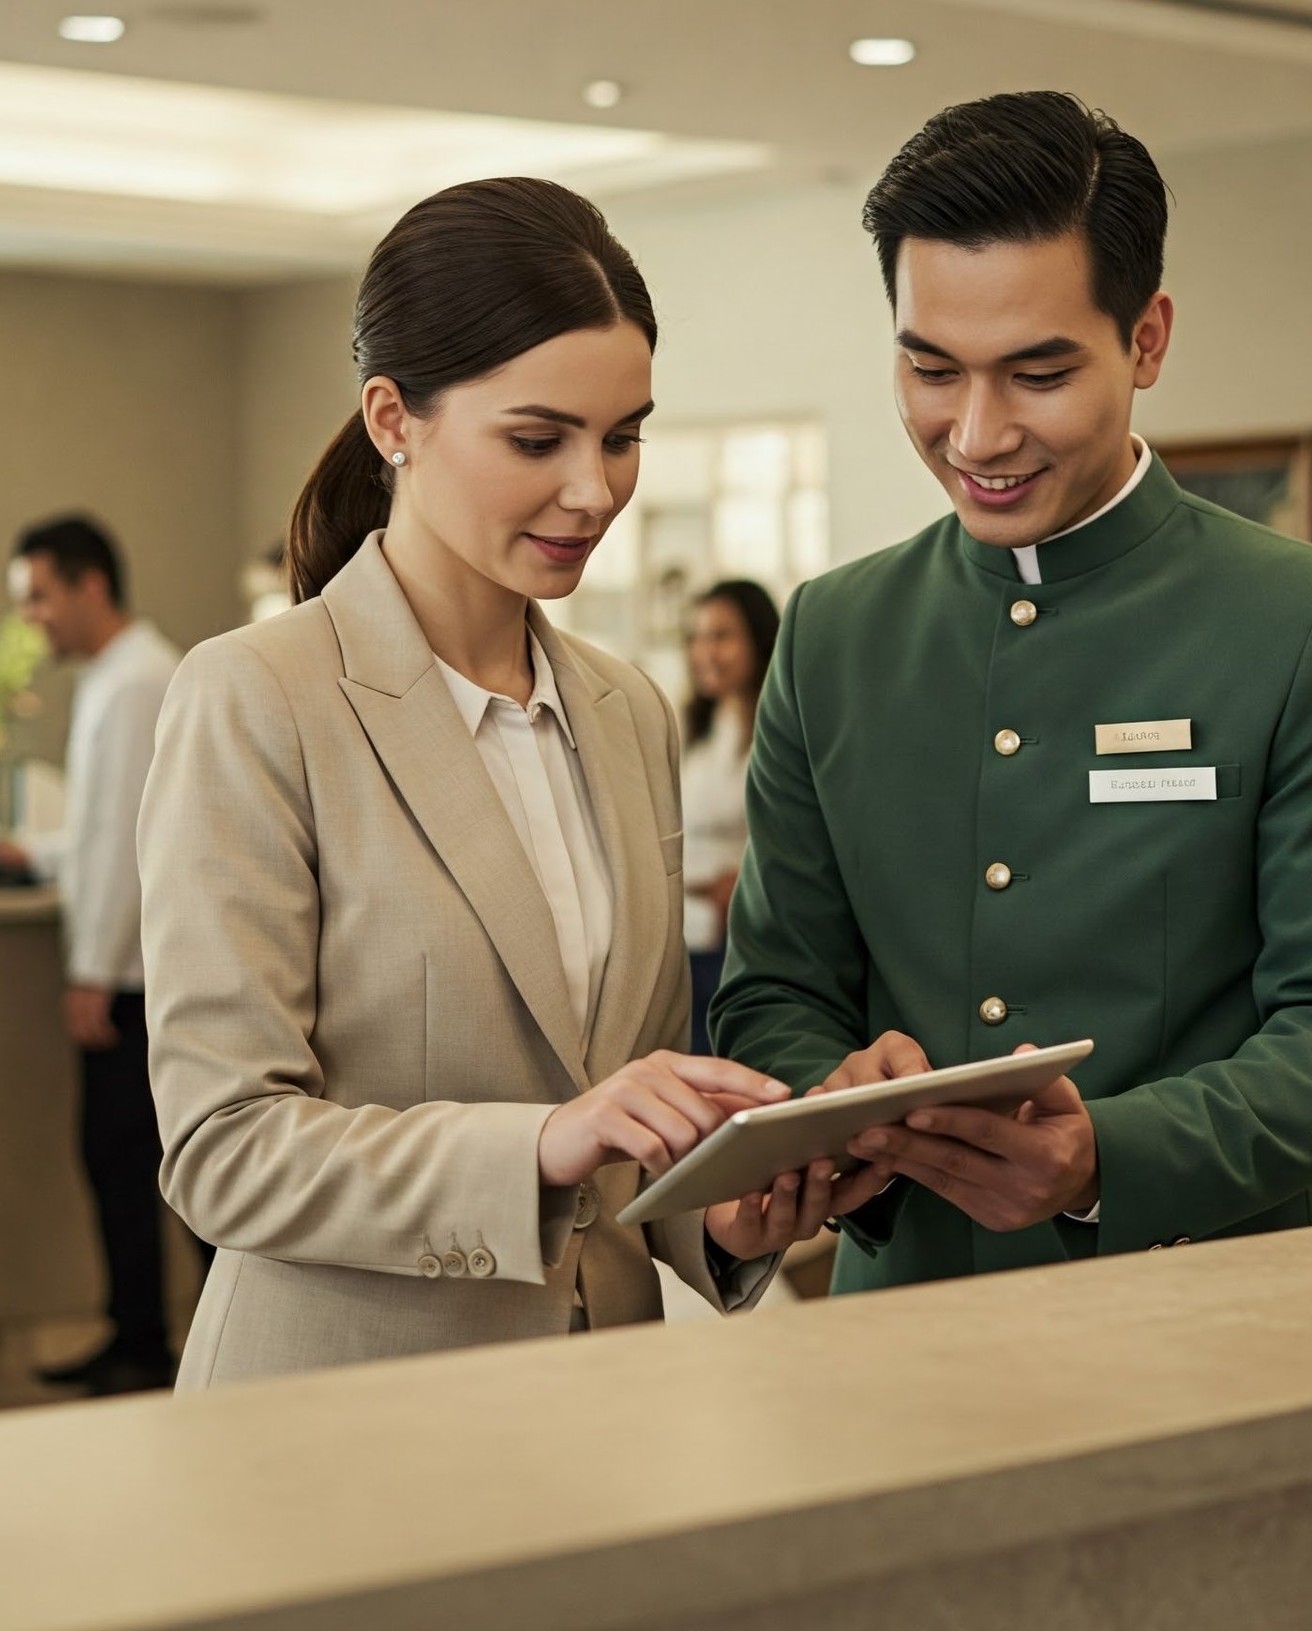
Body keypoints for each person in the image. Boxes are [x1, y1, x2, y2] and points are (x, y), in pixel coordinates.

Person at [137, 177, 886, 1387]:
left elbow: (621, 1136)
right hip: (341, 1414)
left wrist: (724, 1211)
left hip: (600, 1402)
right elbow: (225, 1151)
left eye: (624, 435)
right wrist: (542, 1144)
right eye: (538, 440)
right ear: (393, 418)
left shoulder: (623, 710)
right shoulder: (257, 697)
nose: (594, 490)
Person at [712, 92, 1312, 1292]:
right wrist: (826, 1090)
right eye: (931, 370)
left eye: (1038, 373)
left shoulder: (1310, 621)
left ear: (1147, 340)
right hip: (901, 1327)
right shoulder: (834, 631)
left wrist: (1107, 1158)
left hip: (1220, 1313)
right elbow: (776, 990)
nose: (977, 435)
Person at [0, 517, 186, 1395]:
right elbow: (94, 832)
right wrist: (31, 856)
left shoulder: (140, 679)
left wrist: (92, 974)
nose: (31, 619)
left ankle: (148, 1342)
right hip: (129, 971)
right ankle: (136, 1333)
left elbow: (125, 845)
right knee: (120, 1161)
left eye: (38, 596)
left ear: (90, 587)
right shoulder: (118, 677)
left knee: (136, 1162)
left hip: (139, 979)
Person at [680, 580, 779, 1056]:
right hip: (683, 934)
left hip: (742, 938)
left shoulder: (778, 730)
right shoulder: (692, 729)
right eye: (696, 637)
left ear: (758, 641)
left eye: (721, 636)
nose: (705, 652)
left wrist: (739, 881)